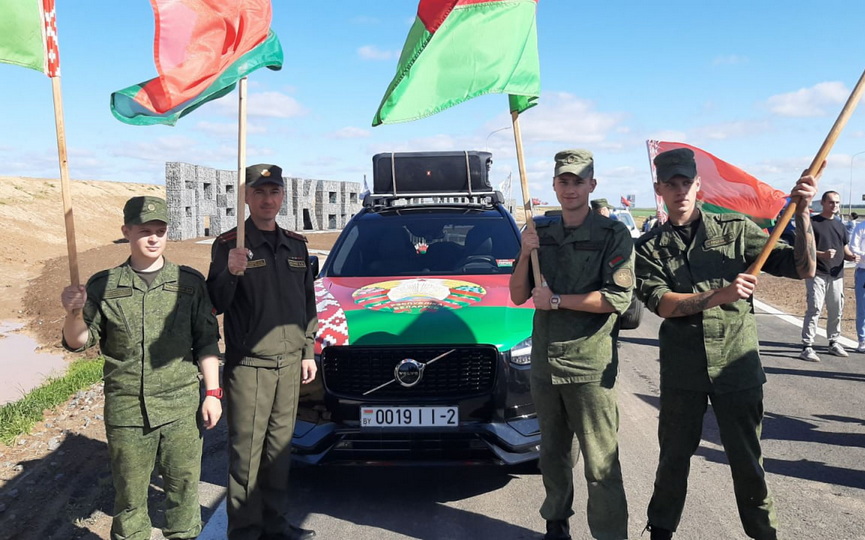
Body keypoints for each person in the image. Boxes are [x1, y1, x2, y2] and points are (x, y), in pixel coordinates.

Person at [634, 148, 818, 540]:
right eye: (672, 184)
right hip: (684, 371)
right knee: (673, 460)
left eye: (687, 183)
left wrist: (803, 215)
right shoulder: (648, 248)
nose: (680, 191)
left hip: (736, 365)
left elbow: (803, 269)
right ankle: (661, 532)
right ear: (659, 190)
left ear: (699, 187)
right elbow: (663, 304)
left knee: (747, 461)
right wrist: (721, 294)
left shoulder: (735, 229)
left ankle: (763, 533)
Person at [60, 196, 222, 540]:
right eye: (145, 230)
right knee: (130, 497)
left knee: (183, 492)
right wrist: (72, 312)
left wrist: (213, 393)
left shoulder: (189, 283)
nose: (153, 238)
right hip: (127, 408)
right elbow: (78, 341)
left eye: (160, 231)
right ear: (126, 232)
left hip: (181, 406)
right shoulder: (103, 285)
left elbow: (207, 342)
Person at [510, 149, 632, 540]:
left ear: (591, 185)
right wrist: (526, 252)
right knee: (553, 454)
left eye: (578, 181)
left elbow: (617, 299)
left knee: (600, 463)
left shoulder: (613, 234)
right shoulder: (540, 232)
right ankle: (556, 523)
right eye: (564, 181)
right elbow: (516, 295)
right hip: (546, 365)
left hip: (589, 366)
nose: (571, 188)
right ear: (554, 185)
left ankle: (610, 534)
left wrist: (558, 300)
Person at [207, 164, 318, 540]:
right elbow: (215, 303)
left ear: (282, 196)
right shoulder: (229, 245)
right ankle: (244, 532)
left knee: (278, 453)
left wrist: (307, 351)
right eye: (259, 192)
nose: (267, 199)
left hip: (289, 365)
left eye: (274, 192)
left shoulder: (296, 244)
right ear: (246, 197)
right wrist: (230, 272)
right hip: (250, 367)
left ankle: (275, 525)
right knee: (246, 457)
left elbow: (308, 303)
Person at [799, 191, 861, 362]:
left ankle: (834, 342)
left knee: (836, 309)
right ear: (824, 203)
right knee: (815, 308)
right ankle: (807, 346)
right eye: (831, 202)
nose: (835, 206)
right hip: (817, 273)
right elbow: (804, 249)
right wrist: (822, 254)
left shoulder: (840, 225)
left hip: (837, 274)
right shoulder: (813, 223)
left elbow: (844, 247)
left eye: (837, 203)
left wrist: (850, 256)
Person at [850, 218, 865, 353]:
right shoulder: (861, 227)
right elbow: (853, 247)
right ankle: (862, 339)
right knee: (862, 307)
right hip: (863, 271)